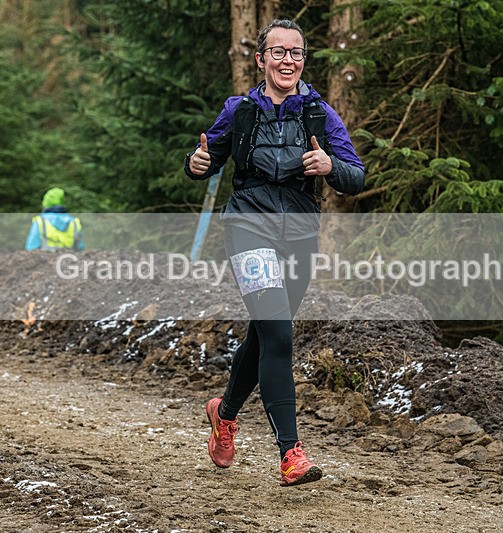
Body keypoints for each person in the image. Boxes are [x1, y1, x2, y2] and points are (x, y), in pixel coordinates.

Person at [185, 19, 365, 487]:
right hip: (248, 228)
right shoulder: (240, 110)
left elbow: (355, 175)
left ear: (303, 60)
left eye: (296, 52)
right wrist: (196, 163)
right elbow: (206, 158)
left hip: (300, 234)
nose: (288, 60)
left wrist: (330, 165)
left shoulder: (320, 115)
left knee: (267, 333)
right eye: (278, 52)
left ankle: (224, 414)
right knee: (280, 335)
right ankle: (290, 454)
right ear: (261, 59)